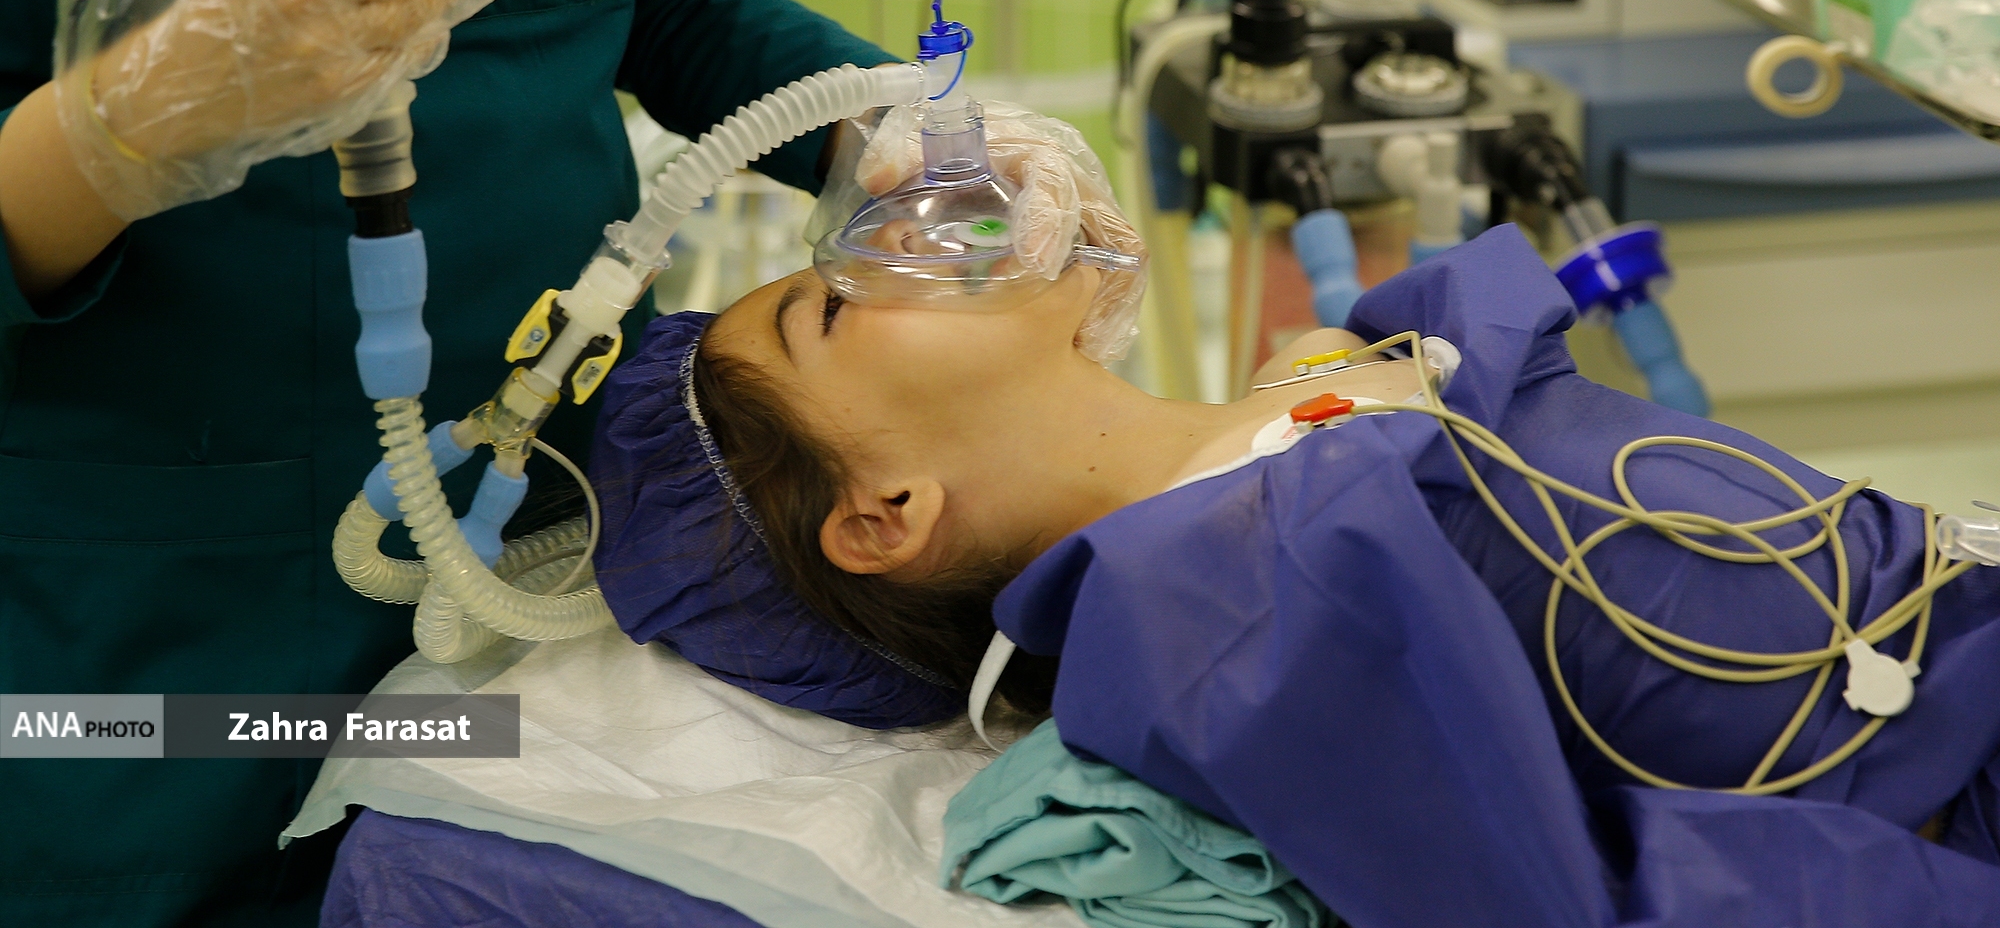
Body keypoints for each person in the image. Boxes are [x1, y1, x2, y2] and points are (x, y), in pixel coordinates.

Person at [0, 0, 1116, 925]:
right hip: (162, 611)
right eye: (817, 311)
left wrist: (898, 136)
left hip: (536, 536)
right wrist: (120, 124)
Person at [593, 224, 2000, 927]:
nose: (897, 239)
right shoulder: (1215, 606)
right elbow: (1550, 905)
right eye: (835, 306)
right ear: (886, 512)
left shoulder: (1297, 396)